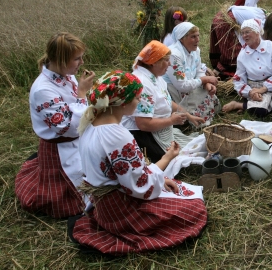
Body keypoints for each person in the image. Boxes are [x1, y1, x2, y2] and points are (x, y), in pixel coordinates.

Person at [71, 71, 207, 255]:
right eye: (137, 98)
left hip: (104, 206)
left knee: (179, 190)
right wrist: (167, 159)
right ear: (122, 102)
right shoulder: (117, 136)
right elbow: (139, 185)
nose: (139, 102)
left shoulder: (91, 122)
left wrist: (158, 175)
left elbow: (128, 174)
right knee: (193, 210)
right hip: (122, 210)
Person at [15, 32, 95, 218]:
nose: (81, 62)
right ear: (60, 60)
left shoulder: (66, 75)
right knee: (81, 199)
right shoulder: (43, 89)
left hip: (77, 143)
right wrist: (82, 94)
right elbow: (67, 126)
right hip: (61, 151)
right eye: (77, 59)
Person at [122, 41, 205, 164]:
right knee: (179, 158)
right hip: (142, 136)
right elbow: (143, 124)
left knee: (197, 144)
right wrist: (171, 121)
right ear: (154, 62)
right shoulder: (143, 84)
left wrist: (188, 115)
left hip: (157, 130)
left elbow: (166, 102)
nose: (170, 64)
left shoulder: (156, 77)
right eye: (166, 60)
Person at [222, 19, 272, 118]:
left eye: (247, 32)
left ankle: (247, 106)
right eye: (242, 33)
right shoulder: (243, 55)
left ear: (257, 32)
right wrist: (250, 93)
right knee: (259, 111)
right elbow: (238, 79)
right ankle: (238, 105)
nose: (244, 36)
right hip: (256, 87)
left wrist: (264, 89)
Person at [164, 22, 221, 127]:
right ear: (182, 38)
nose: (198, 39)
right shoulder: (174, 55)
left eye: (198, 35)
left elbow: (198, 70)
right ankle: (190, 118)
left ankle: (194, 116)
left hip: (188, 86)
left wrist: (206, 84)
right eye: (193, 37)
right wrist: (204, 80)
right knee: (203, 103)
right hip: (174, 91)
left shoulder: (195, 51)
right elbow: (182, 86)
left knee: (212, 97)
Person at [209, 5, 267, 79]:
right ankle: (220, 69)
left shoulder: (258, 12)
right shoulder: (263, 23)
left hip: (220, 16)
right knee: (231, 51)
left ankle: (216, 65)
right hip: (225, 21)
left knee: (221, 44)